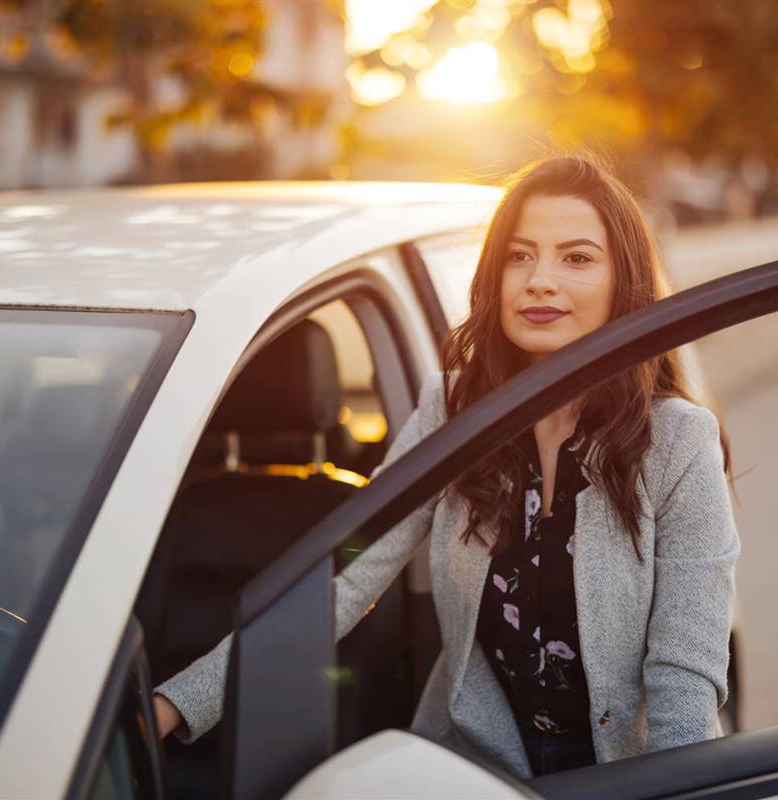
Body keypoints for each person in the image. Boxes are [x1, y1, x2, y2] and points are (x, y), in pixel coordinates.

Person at [151, 154, 741, 779]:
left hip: (626, 772)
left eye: (576, 258)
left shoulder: (678, 440)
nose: (540, 280)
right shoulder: (451, 409)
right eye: (519, 255)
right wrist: (172, 705)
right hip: (471, 770)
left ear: (625, 282)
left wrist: (669, 789)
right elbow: (344, 582)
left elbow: (684, 668)